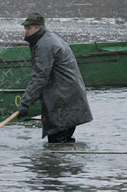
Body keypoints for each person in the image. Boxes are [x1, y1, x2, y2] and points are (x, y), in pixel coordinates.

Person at [15, 13, 92, 143]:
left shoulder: (45, 45)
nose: (26, 31)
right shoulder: (45, 39)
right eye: (25, 28)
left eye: (29, 28)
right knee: (63, 142)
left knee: (57, 141)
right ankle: (66, 161)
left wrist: (25, 102)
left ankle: (58, 161)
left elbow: (40, 77)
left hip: (63, 98)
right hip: (66, 95)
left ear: (38, 27)